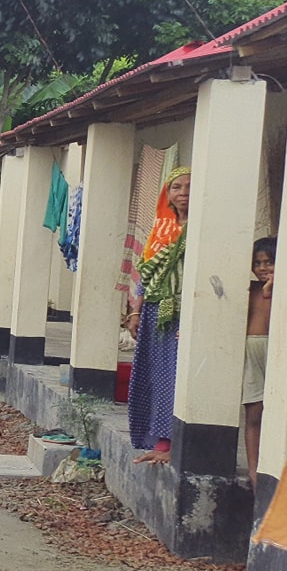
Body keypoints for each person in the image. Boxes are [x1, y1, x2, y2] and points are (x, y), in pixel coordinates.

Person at [127, 165, 191, 464]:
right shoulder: (162, 228)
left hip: (180, 311)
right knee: (154, 375)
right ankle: (157, 439)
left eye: (189, 187)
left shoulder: (200, 229)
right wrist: (135, 311)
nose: (183, 193)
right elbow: (146, 274)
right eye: (176, 187)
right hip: (154, 311)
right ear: (167, 193)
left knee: (174, 375)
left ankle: (173, 443)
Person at [245, 235, 276, 475]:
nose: (263, 268)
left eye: (269, 262)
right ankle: (253, 471)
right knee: (254, 412)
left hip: (276, 351)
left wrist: (269, 291)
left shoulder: (284, 291)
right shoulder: (250, 289)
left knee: (276, 412)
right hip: (252, 353)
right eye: (258, 263)